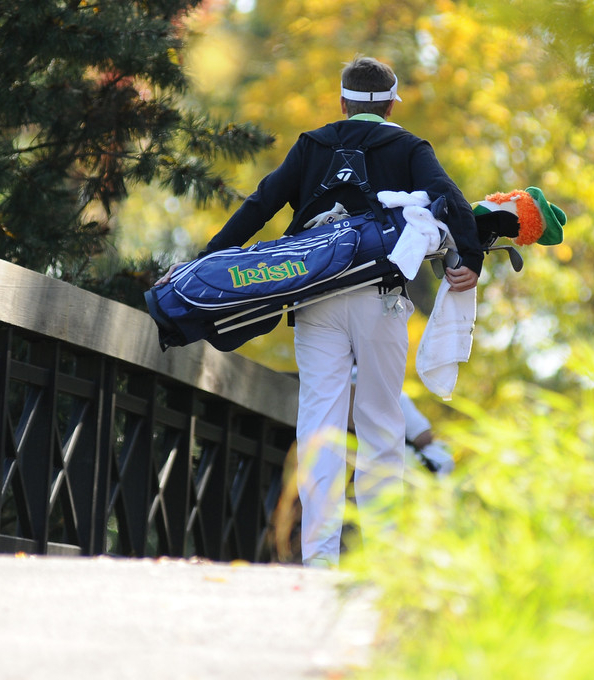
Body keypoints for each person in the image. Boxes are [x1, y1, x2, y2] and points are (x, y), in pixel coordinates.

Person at [157, 56, 482, 567]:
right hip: (381, 298)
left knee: (319, 424)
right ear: (392, 104)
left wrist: (203, 263)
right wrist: (471, 261)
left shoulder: (313, 144)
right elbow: (450, 198)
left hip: (315, 300)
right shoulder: (410, 146)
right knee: (381, 423)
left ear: (343, 101)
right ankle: (382, 560)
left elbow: (260, 204)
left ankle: (320, 559)